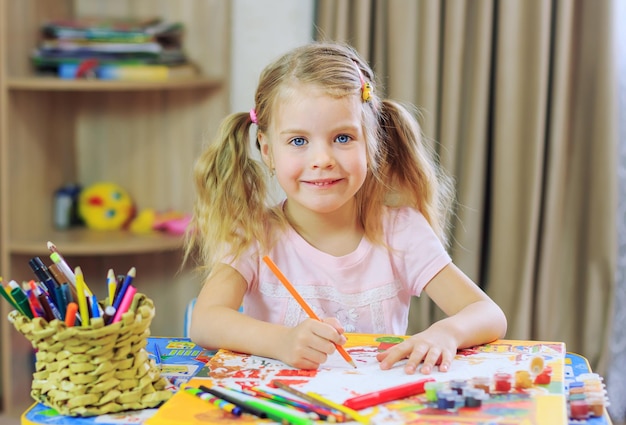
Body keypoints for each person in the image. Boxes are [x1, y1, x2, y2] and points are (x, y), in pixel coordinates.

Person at [185, 42, 507, 375]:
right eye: (298, 141)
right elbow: (205, 321)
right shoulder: (254, 233)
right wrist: (280, 341)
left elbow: (487, 313)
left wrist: (446, 332)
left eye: (342, 138)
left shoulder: (401, 231)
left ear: (371, 142)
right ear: (267, 151)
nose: (322, 160)